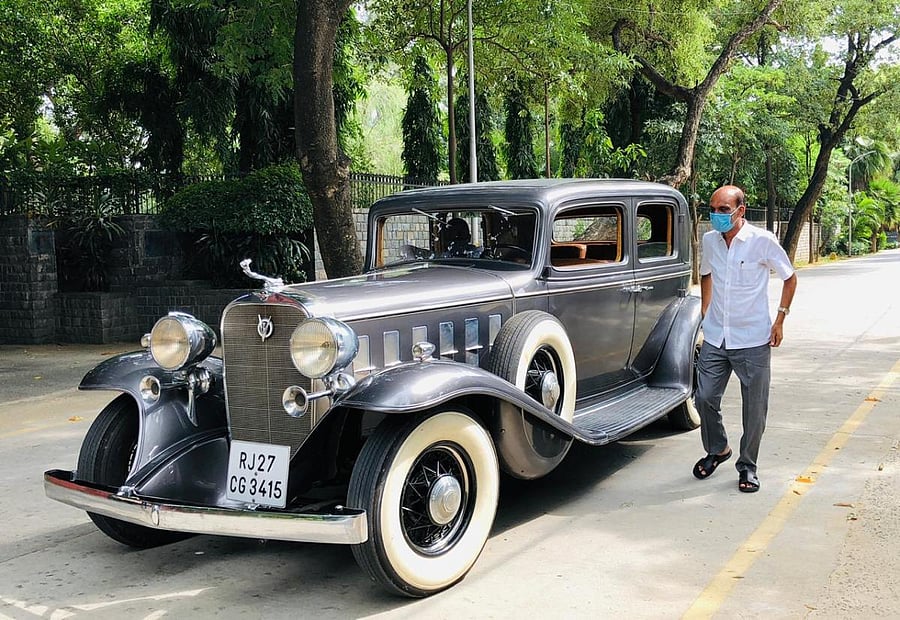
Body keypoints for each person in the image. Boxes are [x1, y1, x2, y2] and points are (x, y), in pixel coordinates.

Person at [692, 185, 797, 493]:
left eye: (723, 210)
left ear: (740, 210)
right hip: (716, 337)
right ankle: (718, 449)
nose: (716, 215)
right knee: (704, 397)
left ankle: (748, 465)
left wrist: (780, 319)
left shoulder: (762, 241)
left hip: (752, 337)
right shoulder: (710, 241)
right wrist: (705, 309)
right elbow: (706, 273)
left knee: (754, 407)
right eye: (713, 209)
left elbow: (790, 278)